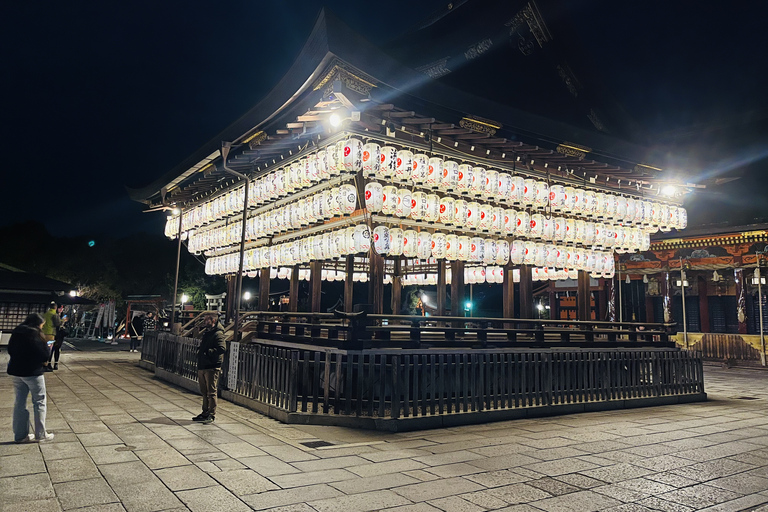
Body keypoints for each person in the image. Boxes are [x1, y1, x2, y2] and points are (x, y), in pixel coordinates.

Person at [8, 313, 54, 443]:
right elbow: (44, 354)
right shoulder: (34, 334)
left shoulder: (18, 331)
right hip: (33, 372)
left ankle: (20, 435)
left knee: (19, 402)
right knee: (39, 401)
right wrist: (48, 347)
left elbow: (10, 349)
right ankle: (41, 434)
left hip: (17, 371)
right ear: (38, 323)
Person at [193, 313, 226, 424]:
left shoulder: (218, 333)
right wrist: (200, 351)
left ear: (212, 320)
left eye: (206, 320)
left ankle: (211, 414)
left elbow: (221, 348)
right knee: (204, 391)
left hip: (212, 366)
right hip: (203, 364)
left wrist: (208, 353)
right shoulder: (207, 332)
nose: (204, 322)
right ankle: (205, 412)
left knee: (211, 392)